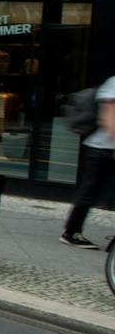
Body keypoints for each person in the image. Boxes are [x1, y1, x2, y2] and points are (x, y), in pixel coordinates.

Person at [62, 75, 115, 249]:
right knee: (89, 190)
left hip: (106, 148)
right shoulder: (114, 83)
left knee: (97, 191)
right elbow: (108, 118)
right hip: (101, 148)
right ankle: (71, 232)